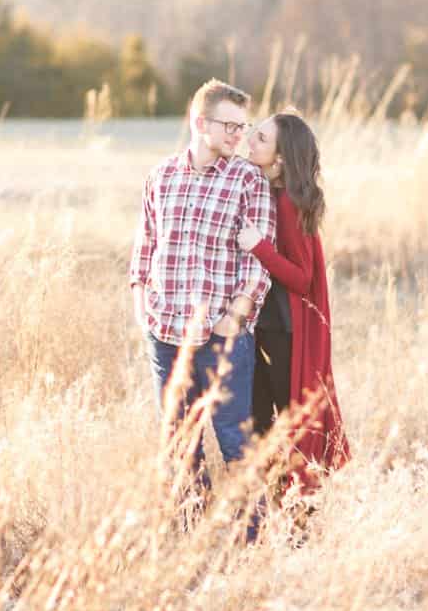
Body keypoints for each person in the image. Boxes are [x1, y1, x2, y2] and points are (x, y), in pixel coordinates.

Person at [130, 79, 276, 496]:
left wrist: (235, 316)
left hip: (222, 336)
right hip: (165, 332)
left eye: (242, 127)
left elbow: (259, 259)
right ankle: (189, 538)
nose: (238, 136)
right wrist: (142, 308)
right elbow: (146, 244)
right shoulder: (161, 176)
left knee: (235, 441)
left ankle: (255, 539)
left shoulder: (248, 180)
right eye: (229, 125)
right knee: (179, 444)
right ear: (199, 122)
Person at [238, 111, 351, 488]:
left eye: (261, 139)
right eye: (253, 134)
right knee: (264, 418)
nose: (250, 141)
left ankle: (294, 502)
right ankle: (276, 495)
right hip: (269, 326)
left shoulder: (288, 202)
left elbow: (302, 279)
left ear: (281, 156)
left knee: (283, 421)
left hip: (283, 329)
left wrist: (258, 247)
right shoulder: (273, 192)